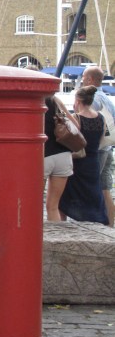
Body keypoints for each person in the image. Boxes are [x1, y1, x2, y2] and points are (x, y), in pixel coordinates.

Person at [59, 85, 109, 224]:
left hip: (77, 162)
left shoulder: (76, 118)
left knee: (66, 197)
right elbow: (101, 141)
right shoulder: (101, 117)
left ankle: (63, 226)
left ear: (78, 101)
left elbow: (69, 139)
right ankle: (97, 220)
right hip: (93, 162)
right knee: (93, 194)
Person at [81, 66, 115, 227]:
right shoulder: (107, 98)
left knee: (90, 188)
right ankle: (110, 225)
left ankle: (90, 223)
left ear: (89, 79)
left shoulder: (93, 99)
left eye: (83, 76)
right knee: (105, 189)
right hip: (108, 148)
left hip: (98, 150)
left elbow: (89, 123)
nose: (82, 79)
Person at [44, 94, 74, 221]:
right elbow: (76, 125)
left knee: (33, 204)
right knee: (53, 206)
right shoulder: (56, 100)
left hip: (43, 155)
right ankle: (55, 234)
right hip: (63, 155)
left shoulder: (32, 99)